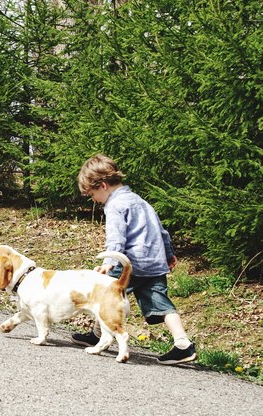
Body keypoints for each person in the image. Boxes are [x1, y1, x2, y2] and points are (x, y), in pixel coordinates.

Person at [72, 154, 197, 365]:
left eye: (92, 194)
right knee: (162, 303)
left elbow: (116, 238)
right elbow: (162, 231)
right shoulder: (141, 201)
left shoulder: (114, 206)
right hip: (155, 263)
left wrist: (108, 263)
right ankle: (183, 344)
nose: (94, 200)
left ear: (102, 185)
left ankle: (97, 335)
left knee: (104, 295)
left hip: (130, 263)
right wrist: (168, 254)